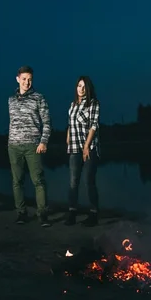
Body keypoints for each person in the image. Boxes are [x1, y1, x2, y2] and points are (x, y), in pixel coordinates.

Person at [8, 65, 52, 227]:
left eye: (30, 79)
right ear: (18, 79)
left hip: (33, 145)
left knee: (38, 181)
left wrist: (43, 141)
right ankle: (21, 213)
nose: (27, 82)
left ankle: (43, 215)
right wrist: (10, 142)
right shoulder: (11, 100)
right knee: (17, 181)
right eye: (24, 79)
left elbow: (47, 122)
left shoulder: (39, 98)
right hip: (13, 146)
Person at [64, 76, 101, 227]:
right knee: (73, 182)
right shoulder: (73, 104)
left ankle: (94, 214)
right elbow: (70, 123)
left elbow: (94, 126)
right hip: (74, 148)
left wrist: (86, 146)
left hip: (89, 148)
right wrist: (67, 137)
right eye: (79, 86)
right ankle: (72, 213)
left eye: (84, 86)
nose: (81, 89)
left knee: (88, 181)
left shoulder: (93, 104)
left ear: (89, 88)